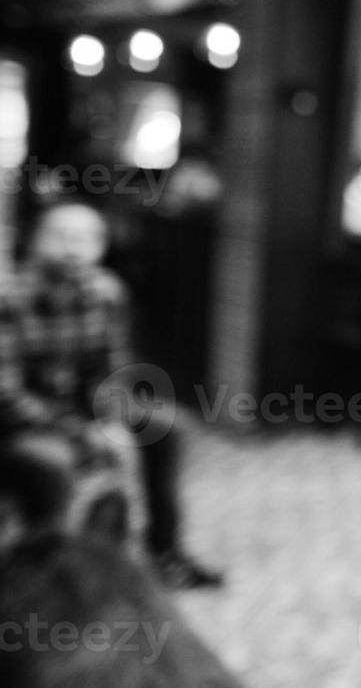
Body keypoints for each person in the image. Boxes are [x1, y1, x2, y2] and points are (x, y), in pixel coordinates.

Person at [0, 199, 223, 589]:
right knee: (54, 462)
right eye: (61, 236)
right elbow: (6, 394)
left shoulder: (106, 293)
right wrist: (76, 431)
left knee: (166, 428)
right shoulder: (9, 299)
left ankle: (165, 554)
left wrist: (109, 420)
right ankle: (50, 579)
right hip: (22, 421)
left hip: (80, 407)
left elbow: (111, 371)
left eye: (86, 238)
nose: (73, 248)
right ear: (35, 241)